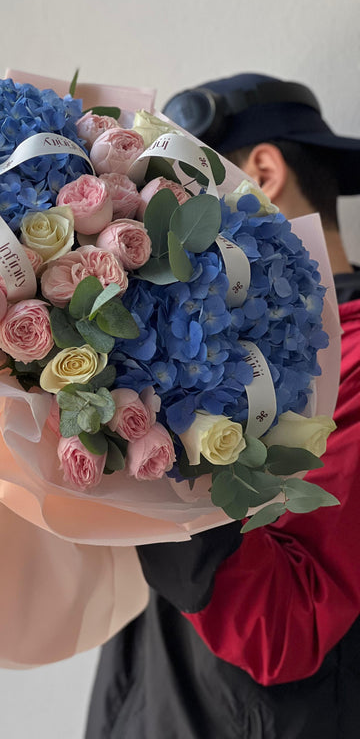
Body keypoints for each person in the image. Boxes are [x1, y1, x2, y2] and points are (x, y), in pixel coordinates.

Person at [85, 73, 360, 739]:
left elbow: (282, 631)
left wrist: (160, 444)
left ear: (262, 172)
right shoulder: (198, 345)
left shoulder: (352, 357)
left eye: (176, 194)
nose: (155, 224)